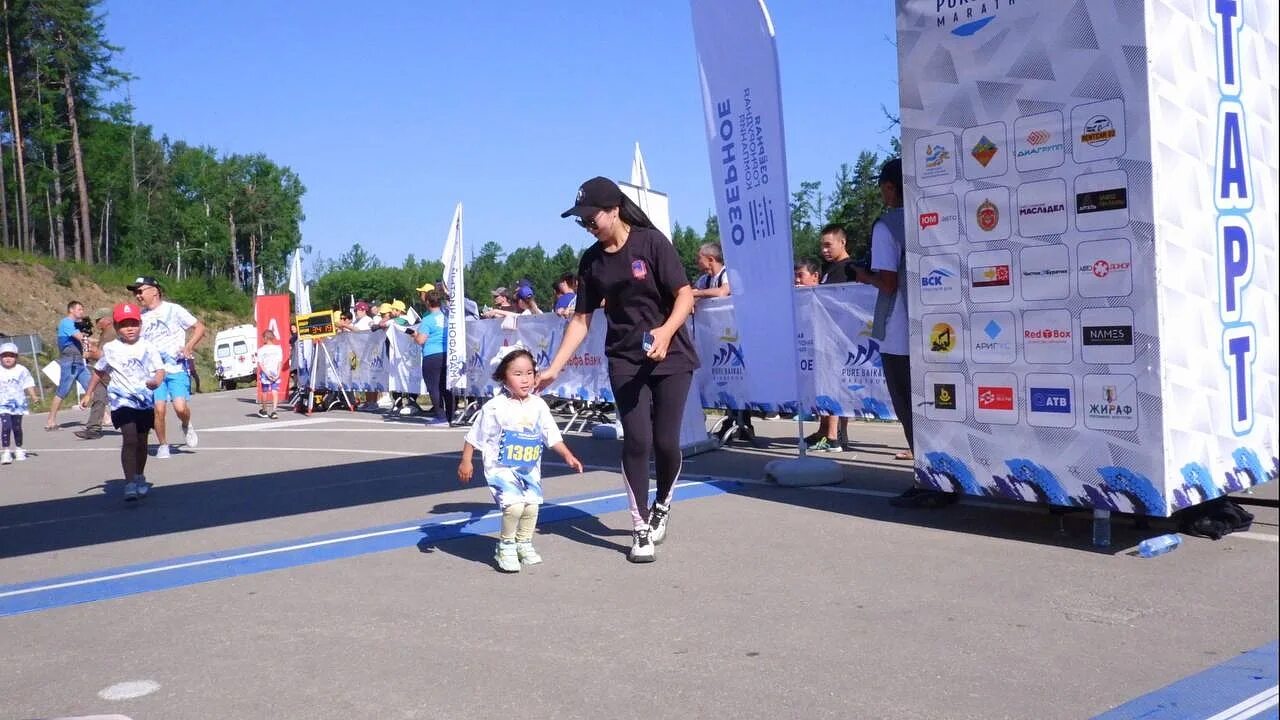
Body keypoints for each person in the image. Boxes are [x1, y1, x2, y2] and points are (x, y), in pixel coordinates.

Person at [540, 176, 698, 563]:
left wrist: (664, 331)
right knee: (636, 441)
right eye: (581, 221)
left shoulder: (652, 243)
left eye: (591, 217)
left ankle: (662, 504)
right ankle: (640, 526)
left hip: (671, 356)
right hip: (625, 359)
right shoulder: (591, 261)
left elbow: (685, 295)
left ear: (613, 210)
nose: (587, 225)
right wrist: (555, 367)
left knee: (665, 443)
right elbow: (581, 320)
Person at [459, 346, 583, 572]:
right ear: (503, 377)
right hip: (500, 467)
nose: (525, 379)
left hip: (528, 468)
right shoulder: (495, 407)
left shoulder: (538, 405)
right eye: (517, 374)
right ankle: (505, 545)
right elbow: (474, 436)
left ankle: (523, 542)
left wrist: (568, 455)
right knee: (514, 507)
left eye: (529, 373)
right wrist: (466, 461)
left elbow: (551, 434)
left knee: (531, 507)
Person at [84, 302, 166, 502]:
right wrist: (89, 393)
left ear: (140, 324)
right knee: (129, 438)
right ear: (117, 327)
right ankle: (129, 483)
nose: (129, 328)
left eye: (134, 323)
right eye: (124, 324)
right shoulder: (111, 348)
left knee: (141, 441)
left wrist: (156, 381)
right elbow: (99, 370)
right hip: (121, 401)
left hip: (144, 401)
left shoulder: (148, 346)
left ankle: (139, 476)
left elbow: (160, 370)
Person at [128, 276, 205, 459]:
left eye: (140, 291)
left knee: (180, 408)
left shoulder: (173, 310)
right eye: (135, 293)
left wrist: (188, 347)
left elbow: (200, 328)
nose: (137, 295)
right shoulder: (140, 317)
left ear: (154, 291)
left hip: (176, 367)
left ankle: (186, 424)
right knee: (159, 409)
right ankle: (163, 444)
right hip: (154, 371)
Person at [807, 225, 858, 453]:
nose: (824, 250)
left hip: (840, 336)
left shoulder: (850, 268)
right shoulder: (830, 269)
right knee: (824, 383)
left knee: (834, 384)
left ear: (842, 242)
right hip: (825, 334)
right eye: (822, 245)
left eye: (828, 245)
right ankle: (823, 430)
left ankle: (833, 437)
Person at [45, 301, 92, 431]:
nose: (82, 312)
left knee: (91, 388)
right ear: (71, 310)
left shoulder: (74, 325)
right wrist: (92, 343)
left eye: (82, 309)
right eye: (79, 309)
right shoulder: (66, 323)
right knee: (63, 391)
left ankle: (105, 417)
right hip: (69, 362)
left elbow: (84, 339)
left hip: (79, 362)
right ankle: (50, 420)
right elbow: (81, 338)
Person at [75, 308, 115, 440]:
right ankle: (93, 428)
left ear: (107, 319)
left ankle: (94, 428)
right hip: (105, 372)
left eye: (98, 321)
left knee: (121, 399)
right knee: (99, 397)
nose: (97, 324)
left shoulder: (111, 333)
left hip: (110, 373)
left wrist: (90, 353)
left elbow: (105, 355)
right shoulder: (108, 332)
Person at [414, 289, 451, 425]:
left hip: (432, 354)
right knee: (446, 386)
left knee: (433, 386)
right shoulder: (447, 317)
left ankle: (441, 416)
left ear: (428, 302)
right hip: (447, 353)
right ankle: (450, 415)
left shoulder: (428, 320)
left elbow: (421, 340)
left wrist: (415, 336)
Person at [0, 342, 37, 464]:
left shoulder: (22, 370)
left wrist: (33, 396)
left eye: (11, 355)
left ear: (16, 357)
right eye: (5, 355)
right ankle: (6, 452)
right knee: (6, 426)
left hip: (18, 404)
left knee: (16, 427)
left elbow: (28, 383)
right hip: (3, 404)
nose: (8, 358)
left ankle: (19, 448)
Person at [256, 329, 284, 419]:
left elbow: (261, 364)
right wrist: (278, 373)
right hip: (275, 372)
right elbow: (280, 362)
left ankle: (264, 410)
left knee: (265, 391)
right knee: (275, 391)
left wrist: (267, 374)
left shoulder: (261, 350)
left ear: (266, 338)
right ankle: (274, 411)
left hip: (266, 373)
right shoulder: (278, 348)